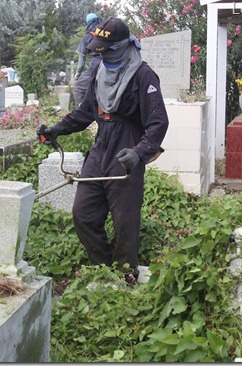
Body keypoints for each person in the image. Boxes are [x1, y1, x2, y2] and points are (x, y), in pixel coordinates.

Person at [37, 17, 169, 281]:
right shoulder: (100, 73)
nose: (101, 55)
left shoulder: (143, 75)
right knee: (83, 213)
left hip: (126, 150)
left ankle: (124, 276)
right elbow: (85, 112)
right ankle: (103, 269)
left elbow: (158, 122)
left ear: (121, 47)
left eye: (106, 50)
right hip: (101, 147)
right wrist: (57, 129)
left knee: (125, 220)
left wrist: (139, 152)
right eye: (97, 50)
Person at [73, 13, 103, 106]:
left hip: (96, 65)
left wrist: (78, 73)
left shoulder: (88, 37)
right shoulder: (106, 34)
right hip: (112, 63)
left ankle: (81, 112)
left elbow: (81, 62)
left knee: (79, 87)